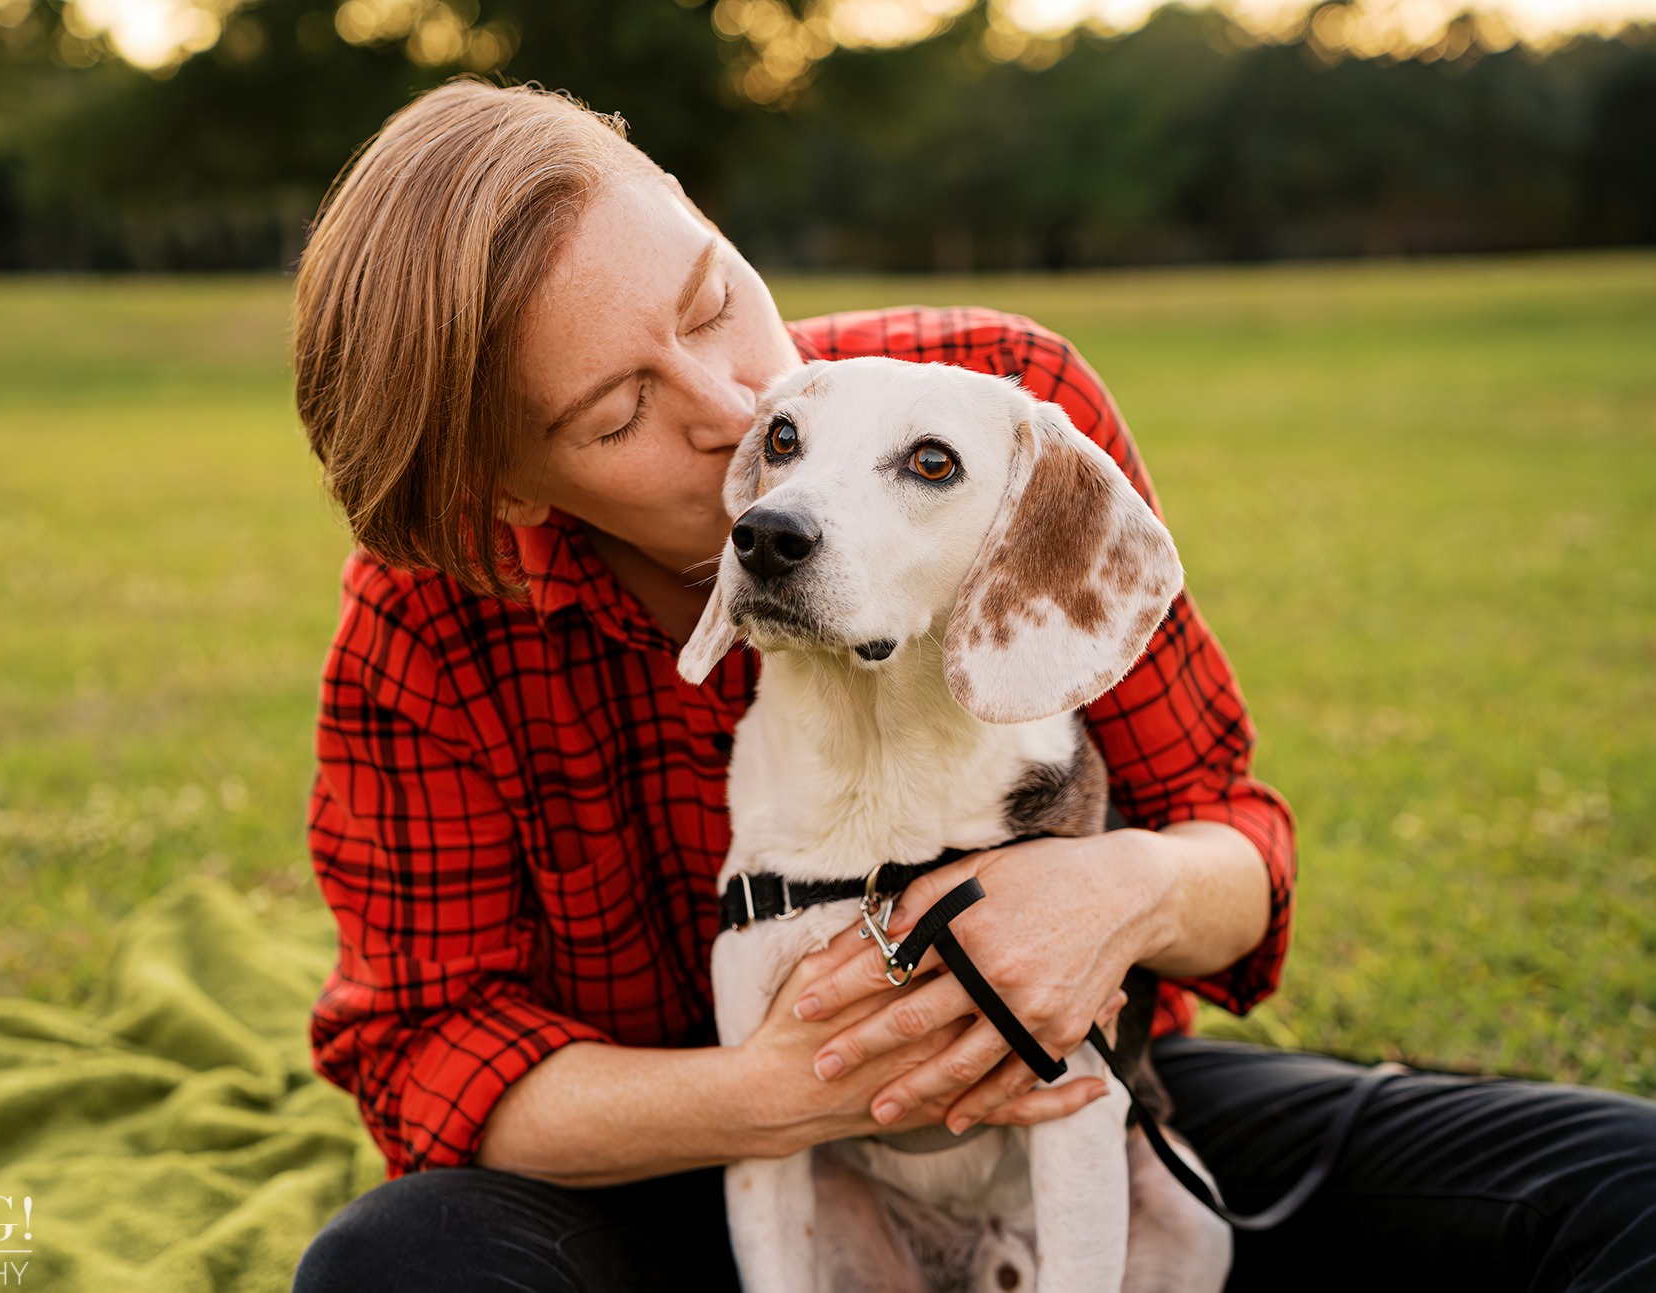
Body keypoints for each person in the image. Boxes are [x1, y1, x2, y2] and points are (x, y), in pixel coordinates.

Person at [286, 80, 1656, 1293]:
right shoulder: (435, 609)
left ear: (699, 207)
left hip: (1077, 1117)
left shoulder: (995, 403)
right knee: (401, 1261)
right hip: (705, 1183)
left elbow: (1237, 839)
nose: (731, 400)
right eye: (616, 413)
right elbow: (427, 1055)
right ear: (507, 489)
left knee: (1625, 1183)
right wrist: (777, 1097)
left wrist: (1114, 892)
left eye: (712, 296)